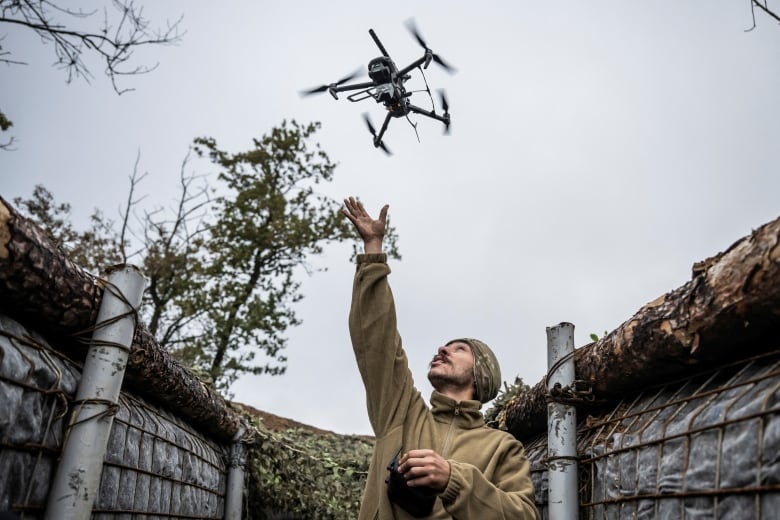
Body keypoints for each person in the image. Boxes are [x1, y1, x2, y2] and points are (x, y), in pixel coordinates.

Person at [343, 197, 539, 519]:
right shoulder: (400, 412)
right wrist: (373, 250)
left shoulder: (502, 448)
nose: (443, 349)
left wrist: (453, 479)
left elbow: (524, 516)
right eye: (445, 346)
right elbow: (377, 341)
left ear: (481, 375)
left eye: (460, 349)